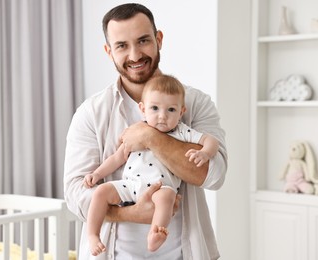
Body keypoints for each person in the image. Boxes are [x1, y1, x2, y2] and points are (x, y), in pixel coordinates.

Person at [64, 3, 227, 260]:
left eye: (143, 41)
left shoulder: (195, 103)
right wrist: (131, 213)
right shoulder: (91, 113)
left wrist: (150, 137)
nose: (135, 55)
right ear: (109, 51)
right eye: (121, 46)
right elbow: (75, 193)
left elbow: (214, 175)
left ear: (158, 39)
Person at [83, 75, 219, 256]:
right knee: (100, 192)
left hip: (160, 187)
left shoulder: (181, 132)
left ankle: (156, 232)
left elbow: (210, 140)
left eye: (171, 109)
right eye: (155, 108)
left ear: (181, 111)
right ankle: (93, 234)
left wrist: (205, 153)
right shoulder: (135, 131)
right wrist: (97, 175)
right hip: (130, 184)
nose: (162, 116)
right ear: (143, 109)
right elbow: (117, 158)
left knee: (167, 198)